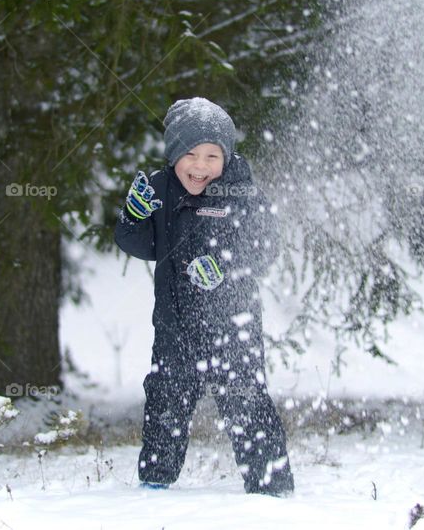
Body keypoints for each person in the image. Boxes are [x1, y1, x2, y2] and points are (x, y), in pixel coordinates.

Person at [114, 97, 295, 496]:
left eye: (212, 155)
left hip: (233, 321)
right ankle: (155, 481)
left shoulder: (240, 189)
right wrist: (133, 216)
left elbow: (265, 245)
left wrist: (225, 269)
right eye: (190, 154)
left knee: (245, 396)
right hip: (175, 320)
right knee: (166, 395)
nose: (200, 166)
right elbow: (140, 243)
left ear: (226, 156)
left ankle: (271, 486)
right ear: (173, 155)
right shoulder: (160, 189)